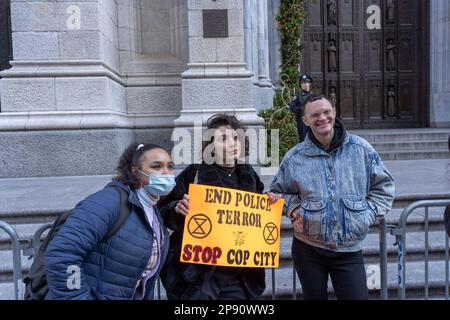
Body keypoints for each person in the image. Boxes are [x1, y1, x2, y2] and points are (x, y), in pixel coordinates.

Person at [271, 94, 395, 300]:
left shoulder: (361, 150)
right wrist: (293, 209)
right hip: (307, 249)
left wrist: (367, 215)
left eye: (327, 112)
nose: (322, 118)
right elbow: (278, 191)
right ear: (305, 120)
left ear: (334, 113)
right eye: (315, 115)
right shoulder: (295, 157)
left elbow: (384, 187)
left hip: (349, 250)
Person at [159, 114, 280, 300]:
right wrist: (177, 208)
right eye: (223, 138)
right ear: (211, 146)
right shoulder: (194, 173)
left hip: (239, 275)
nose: (232, 143)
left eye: (235, 137)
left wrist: (268, 202)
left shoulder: (249, 174)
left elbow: (256, 216)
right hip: (199, 275)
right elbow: (162, 208)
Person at [44, 143, 174, 299]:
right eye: (156, 166)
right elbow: (62, 255)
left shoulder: (153, 209)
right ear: (135, 171)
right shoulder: (108, 202)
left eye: (170, 166)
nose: (166, 173)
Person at [290, 74, 314, 143]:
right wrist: (300, 109)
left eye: (306, 82)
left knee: (313, 138)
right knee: (303, 139)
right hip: (302, 121)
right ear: (300, 85)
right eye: (303, 83)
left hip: (312, 120)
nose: (305, 84)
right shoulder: (298, 96)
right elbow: (292, 108)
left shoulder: (313, 95)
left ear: (309, 84)